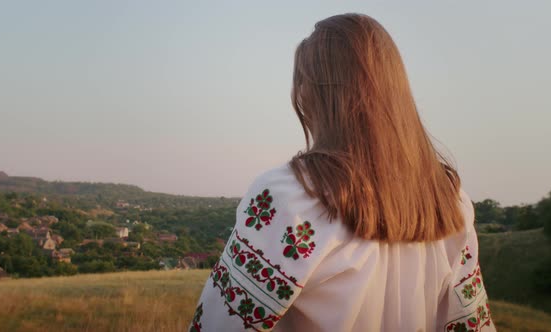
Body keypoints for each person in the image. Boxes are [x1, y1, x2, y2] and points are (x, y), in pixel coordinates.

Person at [189, 13, 495, 332]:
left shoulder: (290, 196)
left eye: (302, 81)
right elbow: (472, 325)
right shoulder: (451, 201)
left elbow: (218, 325)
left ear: (313, 93)